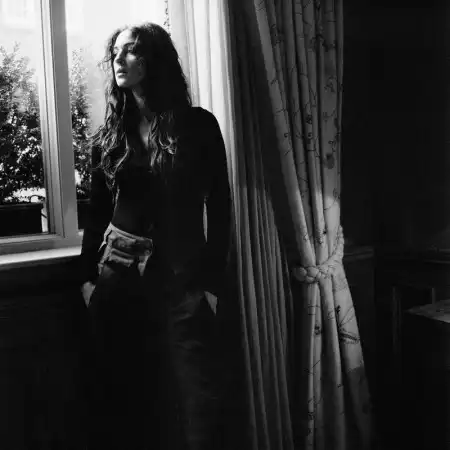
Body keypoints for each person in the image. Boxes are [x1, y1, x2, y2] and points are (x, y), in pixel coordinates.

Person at [79, 22, 231, 450]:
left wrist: (212, 284)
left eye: (130, 50)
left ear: (154, 59)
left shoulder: (198, 125)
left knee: (192, 398)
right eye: (115, 52)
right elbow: (96, 213)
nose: (118, 59)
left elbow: (220, 206)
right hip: (116, 276)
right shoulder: (110, 134)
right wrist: (87, 279)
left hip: (179, 279)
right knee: (125, 396)